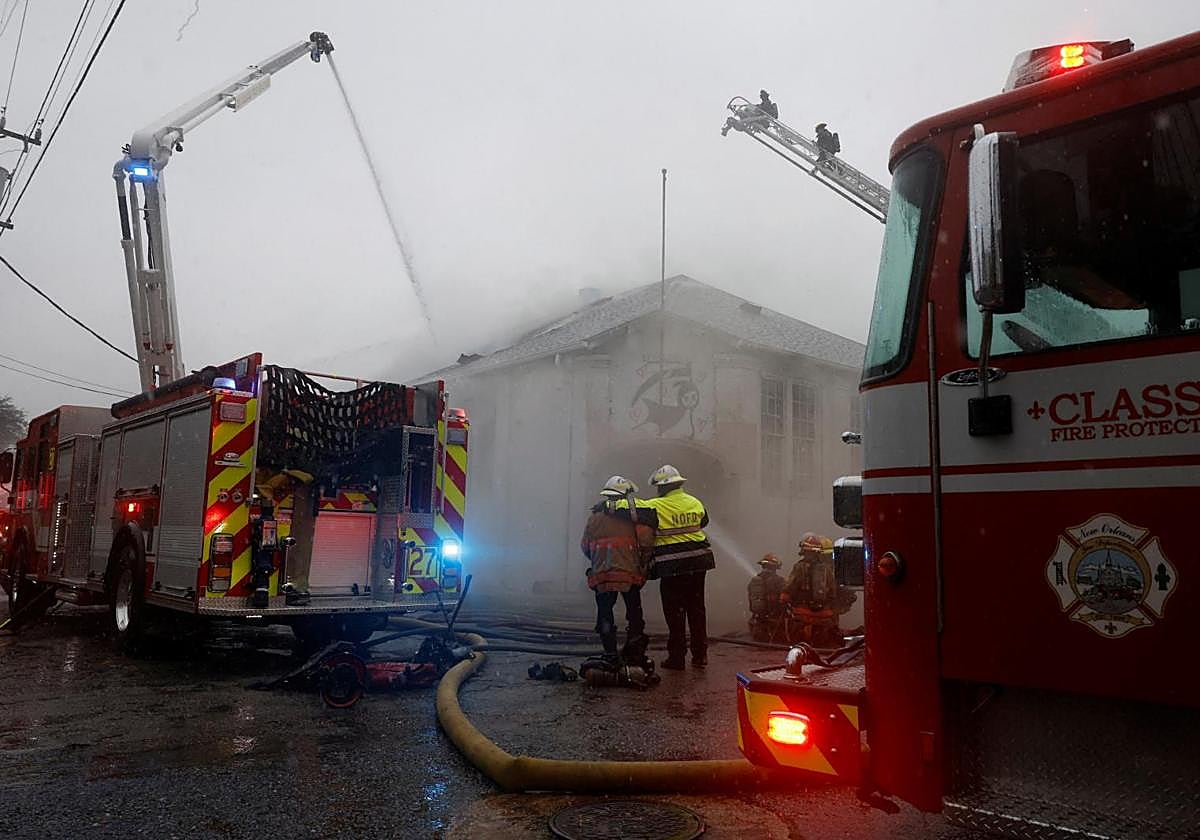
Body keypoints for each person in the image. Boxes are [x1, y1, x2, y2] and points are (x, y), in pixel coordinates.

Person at [620, 465, 715, 670]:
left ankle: (677, 657)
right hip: (699, 562)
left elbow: (629, 510)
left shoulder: (653, 505)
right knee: (697, 610)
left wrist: (608, 505)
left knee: (675, 612)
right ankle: (700, 655)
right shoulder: (695, 501)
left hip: (672, 565)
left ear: (661, 487)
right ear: (679, 484)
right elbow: (704, 521)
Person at [580, 475, 655, 662]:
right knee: (634, 612)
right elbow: (646, 543)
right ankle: (634, 651)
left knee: (605, 613)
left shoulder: (594, 518)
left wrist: (599, 561)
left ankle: (610, 653)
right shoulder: (634, 517)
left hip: (602, 575)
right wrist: (643, 564)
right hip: (629, 574)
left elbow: (585, 546)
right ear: (626, 494)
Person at [747, 553, 786, 642]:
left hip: (758, 617)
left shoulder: (754, 580)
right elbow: (786, 594)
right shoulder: (779, 580)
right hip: (774, 615)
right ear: (775, 567)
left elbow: (750, 596)